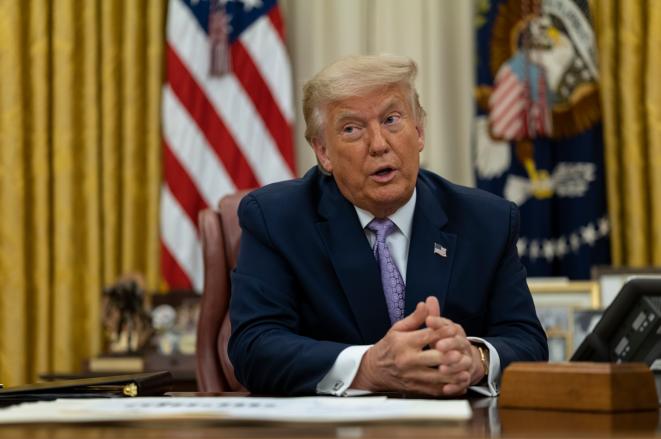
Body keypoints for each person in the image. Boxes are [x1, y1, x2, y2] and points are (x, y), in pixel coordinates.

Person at [228, 54, 548, 396]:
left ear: (419, 130)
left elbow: (527, 342)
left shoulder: (487, 221)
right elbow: (254, 348)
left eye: (392, 120)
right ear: (323, 152)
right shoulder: (276, 219)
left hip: (452, 438)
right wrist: (367, 368)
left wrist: (476, 359)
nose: (379, 145)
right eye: (352, 129)